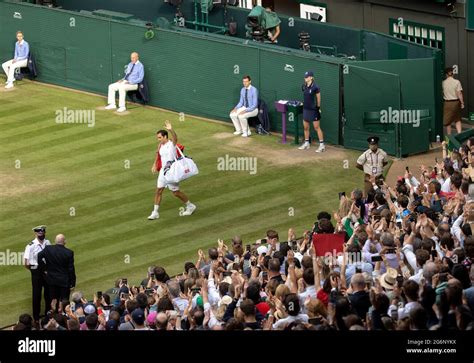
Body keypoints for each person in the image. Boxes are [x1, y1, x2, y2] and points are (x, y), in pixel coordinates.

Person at [148, 120, 196, 220]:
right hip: (163, 171)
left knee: (176, 192)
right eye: (157, 138)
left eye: (160, 137)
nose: (158, 139)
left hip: (171, 172)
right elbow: (158, 155)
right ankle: (155, 212)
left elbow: (175, 138)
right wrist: (154, 164)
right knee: (158, 191)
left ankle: (190, 206)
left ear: (165, 136)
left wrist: (171, 130)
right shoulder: (160, 145)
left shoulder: (172, 144)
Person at [38, 234, 76, 311]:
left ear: (55, 241)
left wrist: (44, 268)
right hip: (64, 282)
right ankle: (63, 316)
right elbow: (71, 269)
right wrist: (72, 283)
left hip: (52, 280)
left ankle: (54, 315)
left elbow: (39, 256)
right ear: (64, 242)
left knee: (53, 300)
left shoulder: (48, 249)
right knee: (64, 302)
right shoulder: (69, 253)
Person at [23, 225, 51, 323]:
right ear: (36, 233)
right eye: (39, 233)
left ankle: (48, 314)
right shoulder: (30, 246)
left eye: (43, 233)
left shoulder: (47, 242)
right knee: (36, 294)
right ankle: (36, 317)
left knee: (48, 293)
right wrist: (33, 270)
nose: (41, 234)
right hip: (36, 271)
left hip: (47, 270)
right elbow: (26, 263)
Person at [298, 71, 324, 153]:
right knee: (305, 127)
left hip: (313, 110)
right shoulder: (304, 86)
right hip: (305, 109)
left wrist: (318, 107)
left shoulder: (315, 87)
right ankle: (306, 143)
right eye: (305, 77)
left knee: (317, 128)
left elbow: (318, 98)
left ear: (311, 77)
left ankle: (322, 145)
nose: (305, 78)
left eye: (307, 77)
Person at [442, 66, 464, 135]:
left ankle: (449, 137)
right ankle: (459, 135)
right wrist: (462, 103)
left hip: (447, 103)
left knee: (448, 121)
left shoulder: (443, 83)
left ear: (446, 74)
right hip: (456, 103)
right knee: (457, 120)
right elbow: (459, 93)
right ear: (453, 74)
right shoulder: (457, 82)